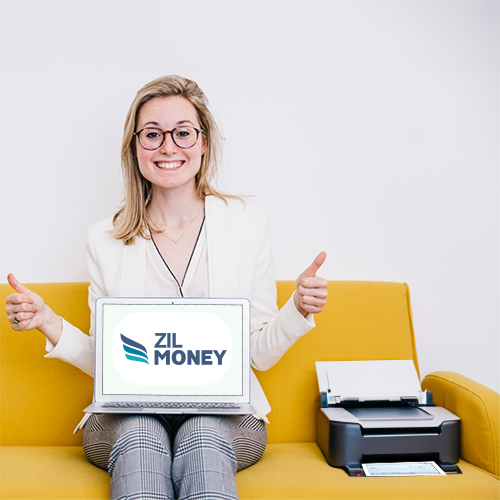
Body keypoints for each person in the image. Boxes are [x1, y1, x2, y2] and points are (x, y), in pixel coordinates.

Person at [5, 75, 328, 500]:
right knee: (141, 437)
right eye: (153, 135)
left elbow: (257, 355)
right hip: (125, 415)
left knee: (202, 435)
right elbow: (111, 362)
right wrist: (48, 322)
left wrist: (298, 309)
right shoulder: (105, 237)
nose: (168, 147)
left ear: (204, 141)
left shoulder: (247, 223)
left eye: (183, 133)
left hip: (227, 415)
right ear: (135, 146)